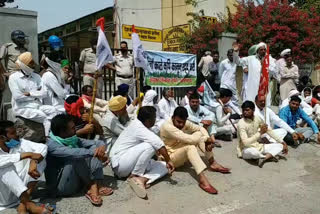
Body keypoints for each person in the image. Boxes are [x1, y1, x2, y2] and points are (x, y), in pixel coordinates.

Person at [46, 114, 112, 206]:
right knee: (77, 155)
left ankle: (98, 183)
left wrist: (101, 148)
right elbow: (74, 152)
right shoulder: (51, 145)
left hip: (74, 179)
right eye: (72, 128)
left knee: (93, 148)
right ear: (62, 132)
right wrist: (95, 152)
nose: (75, 130)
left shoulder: (70, 138)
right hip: (61, 187)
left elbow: (96, 142)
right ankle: (92, 186)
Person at [160, 107, 230, 194]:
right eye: (178, 122)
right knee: (192, 145)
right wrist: (205, 138)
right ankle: (203, 180)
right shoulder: (167, 126)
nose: (181, 125)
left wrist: (207, 139)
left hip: (180, 149)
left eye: (183, 122)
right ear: (173, 117)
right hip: (170, 158)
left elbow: (200, 128)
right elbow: (191, 140)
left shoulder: (183, 122)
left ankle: (213, 163)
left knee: (200, 137)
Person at [110, 106, 175, 199]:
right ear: (148, 120)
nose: (155, 120)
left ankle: (143, 179)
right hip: (120, 164)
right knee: (151, 145)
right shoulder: (138, 127)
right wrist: (169, 160)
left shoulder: (141, 125)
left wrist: (166, 162)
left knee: (164, 166)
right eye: (154, 118)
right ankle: (136, 174)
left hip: (128, 162)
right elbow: (159, 145)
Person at [0, 121, 54, 213]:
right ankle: (28, 204)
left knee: (40, 157)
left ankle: (23, 203)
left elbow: (42, 147)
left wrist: (34, 161)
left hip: (22, 190)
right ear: (2, 137)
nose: (17, 135)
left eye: (16, 131)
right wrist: (26, 155)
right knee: (5, 166)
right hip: (4, 197)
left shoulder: (19, 142)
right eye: (13, 133)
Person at [8, 52, 57, 137]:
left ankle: (52, 133)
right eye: (31, 63)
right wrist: (36, 94)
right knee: (44, 117)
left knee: (53, 110)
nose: (34, 65)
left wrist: (30, 94)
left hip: (37, 105)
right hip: (22, 107)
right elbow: (18, 97)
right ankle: (47, 137)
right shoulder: (13, 78)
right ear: (24, 64)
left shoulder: (36, 76)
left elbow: (44, 93)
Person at [237, 101, 288, 168]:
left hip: (258, 146)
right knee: (254, 153)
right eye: (243, 110)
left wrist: (282, 142)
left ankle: (264, 158)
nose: (244, 112)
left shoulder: (257, 118)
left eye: (247, 110)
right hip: (246, 149)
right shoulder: (241, 123)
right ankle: (268, 156)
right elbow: (246, 143)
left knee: (280, 146)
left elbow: (268, 130)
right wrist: (260, 133)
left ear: (253, 110)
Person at [0, 30, 28, 120]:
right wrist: (4, 72)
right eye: (20, 38)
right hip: (12, 75)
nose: (23, 40)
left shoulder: (24, 49)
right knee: (12, 99)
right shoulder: (7, 47)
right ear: (15, 39)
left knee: (24, 97)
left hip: (24, 75)